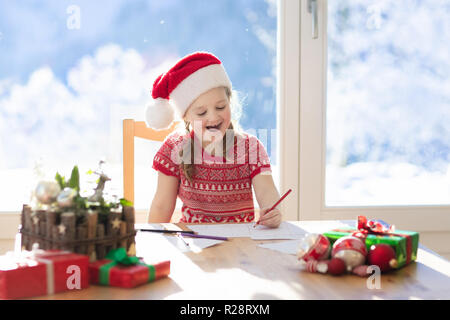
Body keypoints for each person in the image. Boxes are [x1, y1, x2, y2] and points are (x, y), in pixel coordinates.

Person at [145, 52, 282, 228]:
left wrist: (272, 212)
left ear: (229, 102)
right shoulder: (175, 148)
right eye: (201, 112)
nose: (213, 117)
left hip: (240, 242)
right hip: (194, 243)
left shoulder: (251, 148)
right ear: (185, 116)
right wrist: (155, 239)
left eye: (220, 107)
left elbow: (267, 192)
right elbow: (161, 205)